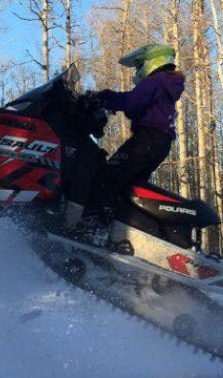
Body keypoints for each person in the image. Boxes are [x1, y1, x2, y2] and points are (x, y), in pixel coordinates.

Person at [74, 43, 185, 247]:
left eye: (139, 65)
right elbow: (139, 107)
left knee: (107, 176)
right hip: (160, 143)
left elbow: (132, 101)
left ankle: (93, 231)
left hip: (147, 139)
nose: (137, 71)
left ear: (151, 62)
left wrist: (102, 96)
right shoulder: (168, 83)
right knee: (127, 188)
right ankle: (119, 233)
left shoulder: (156, 80)